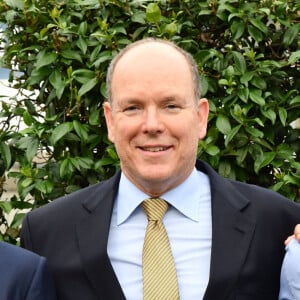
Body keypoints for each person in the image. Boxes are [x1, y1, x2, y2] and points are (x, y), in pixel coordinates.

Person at [20, 38, 300, 300]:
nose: (152, 125)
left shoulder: (277, 222)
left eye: (170, 105)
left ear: (201, 117)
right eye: (132, 108)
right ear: (110, 121)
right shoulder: (48, 232)